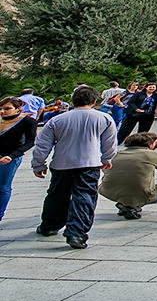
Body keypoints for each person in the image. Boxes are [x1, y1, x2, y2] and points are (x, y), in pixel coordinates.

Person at [32, 85, 117, 249]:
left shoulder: (57, 120)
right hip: (90, 163)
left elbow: (42, 145)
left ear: (73, 100)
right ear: (94, 101)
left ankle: (49, 225)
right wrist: (107, 158)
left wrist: (38, 164)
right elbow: (110, 143)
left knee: (57, 195)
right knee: (84, 197)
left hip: (62, 163)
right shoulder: (103, 118)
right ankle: (76, 233)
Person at [99, 131, 157, 219]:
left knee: (125, 186)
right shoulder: (153, 155)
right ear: (149, 145)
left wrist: (152, 147)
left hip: (108, 191)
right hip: (141, 192)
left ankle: (126, 204)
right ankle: (131, 207)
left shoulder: (115, 154)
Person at [0, 96, 38, 221]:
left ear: (18, 109)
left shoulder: (27, 121)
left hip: (10, 156)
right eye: (0, 109)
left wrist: (12, 156)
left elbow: (30, 141)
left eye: (7, 109)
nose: (2, 112)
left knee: (3, 186)